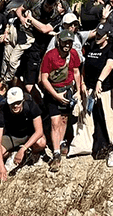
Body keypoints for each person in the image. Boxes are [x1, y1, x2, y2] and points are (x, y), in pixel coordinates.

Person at [39, 29, 83, 171]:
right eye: (65, 42)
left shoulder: (74, 54)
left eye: (69, 42)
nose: (67, 45)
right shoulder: (50, 56)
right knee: (54, 121)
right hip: (54, 91)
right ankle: (56, 151)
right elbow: (44, 78)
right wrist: (55, 95)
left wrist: (78, 90)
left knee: (64, 119)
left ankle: (61, 141)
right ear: (59, 41)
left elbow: (76, 72)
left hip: (68, 90)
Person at [80, 23, 113, 165]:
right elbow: (85, 65)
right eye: (97, 33)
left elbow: (110, 65)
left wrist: (100, 80)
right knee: (96, 120)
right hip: (91, 91)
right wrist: (83, 83)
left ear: (107, 36)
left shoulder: (110, 49)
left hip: (105, 91)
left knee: (109, 120)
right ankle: (100, 147)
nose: (97, 37)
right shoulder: (91, 46)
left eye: (100, 35)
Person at [0, 87, 47, 182]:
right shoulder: (2, 112)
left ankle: (33, 154)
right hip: (12, 136)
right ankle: (9, 156)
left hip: (29, 134)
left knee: (41, 142)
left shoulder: (31, 105)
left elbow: (39, 131)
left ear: (23, 100)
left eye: (18, 103)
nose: (15, 106)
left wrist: (23, 149)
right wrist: (0, 166)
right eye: (12, 103)